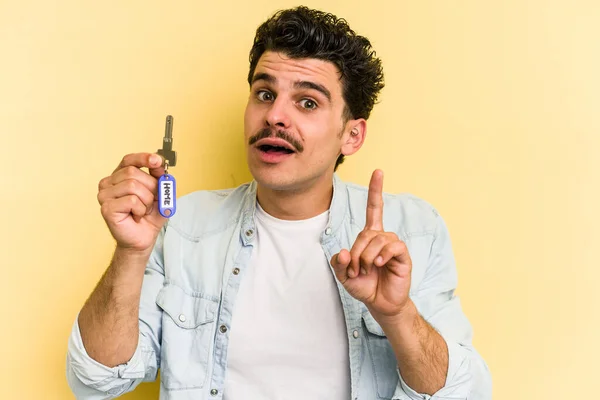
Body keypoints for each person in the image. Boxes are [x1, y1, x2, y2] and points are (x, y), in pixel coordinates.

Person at [66, 6, 492, 400]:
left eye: (307, 101)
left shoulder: (413, 230)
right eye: (265, 94)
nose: (274, 116)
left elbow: (465, 394)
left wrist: (397, 315)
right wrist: (130, 252)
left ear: (352, 135)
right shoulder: (181, 226)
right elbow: (96, 380)